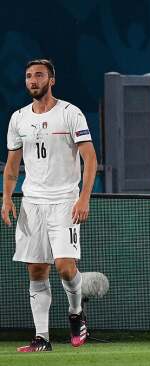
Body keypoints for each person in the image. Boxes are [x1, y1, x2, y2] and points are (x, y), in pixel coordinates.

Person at [2, 59, 98, 352]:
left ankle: (75, 312)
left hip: (65, 201)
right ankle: (41, 338)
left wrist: (84, 197)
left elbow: (90, 158)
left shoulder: (71, 113)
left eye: (39, 75)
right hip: (32, 202)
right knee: (36, 271)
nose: (33, 80)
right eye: (29, 76)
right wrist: (6, 197)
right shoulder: (18, 118)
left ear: (51, 79)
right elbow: (11, 166)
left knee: (65, 267)